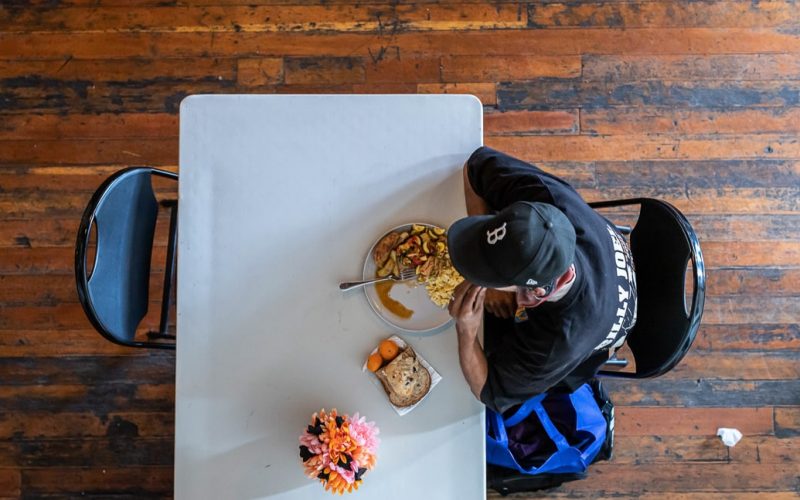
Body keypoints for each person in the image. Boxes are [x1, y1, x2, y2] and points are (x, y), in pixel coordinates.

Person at [446, 146, 637, 414]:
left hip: (585, 341)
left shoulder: (558, 343)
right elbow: (475, 166)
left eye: (491, 276)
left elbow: (489, 391)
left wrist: (466, 331)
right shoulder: (546, 205)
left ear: (531, 295)